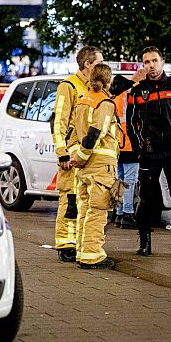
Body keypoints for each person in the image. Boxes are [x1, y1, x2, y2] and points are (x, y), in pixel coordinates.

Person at [126, 46, 171, 257]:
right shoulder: (137, 91)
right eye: (146, 62)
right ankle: (144, 242)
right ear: (143, 65)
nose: (151, 65)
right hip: (149, 153)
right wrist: (139, 148)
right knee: (146, 200)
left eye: (154, 60)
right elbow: (130, 122)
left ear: (163, 62)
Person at [50, 45, 103, 262]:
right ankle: (66, 243)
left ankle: (79, 242)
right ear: (87, 64)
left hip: (86, 154)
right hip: (71, 153)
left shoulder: (94, 87)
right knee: (69, 198)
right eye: (99, 62)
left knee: (83, 200)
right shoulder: (69, 86)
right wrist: (62, 153)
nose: (102, 66)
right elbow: (58, 121)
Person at [69, 64, 118, 269]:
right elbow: (95, 134)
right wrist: (82, 156)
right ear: (108, 81)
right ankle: (93, 255)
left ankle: (82, 251)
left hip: (85, 169)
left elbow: (71, 135)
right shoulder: (105, 103)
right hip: (100, 168)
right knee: (97, 212)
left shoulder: (82, 101)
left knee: (85, 210)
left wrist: (76, 157)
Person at [111, 69, 147, 229]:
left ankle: (118, 213)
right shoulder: (132, 93)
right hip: (130, 143)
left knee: (120, 179)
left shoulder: (118, 93)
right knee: (129, 181)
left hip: (118, 144)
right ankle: (127, 213)